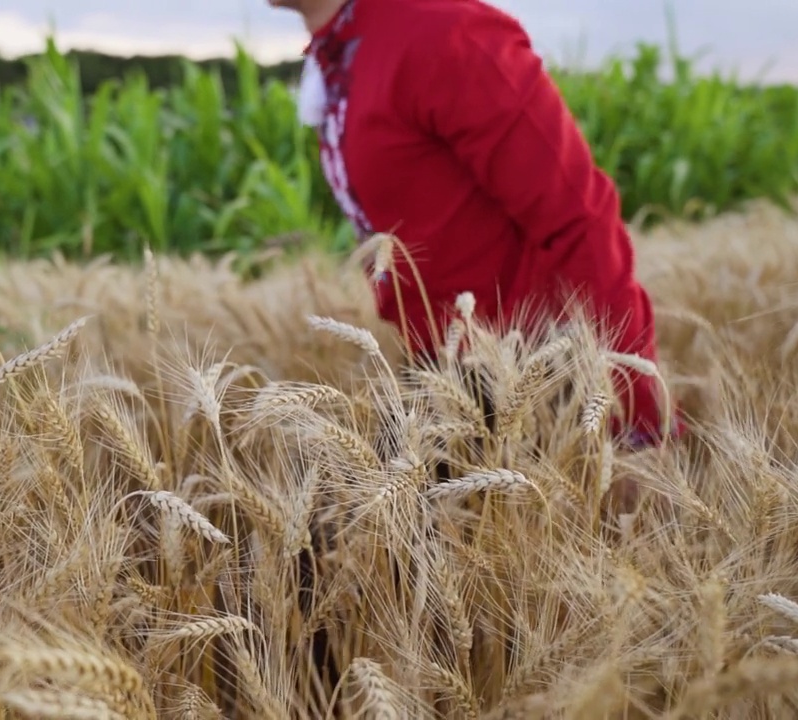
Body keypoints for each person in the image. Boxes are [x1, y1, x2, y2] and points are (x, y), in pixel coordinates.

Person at [270, 0, 685, 451]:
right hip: (445, 380)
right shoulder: (342, 51)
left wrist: (636, 424)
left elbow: (579, 219)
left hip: (538, 388)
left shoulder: (447, 35)